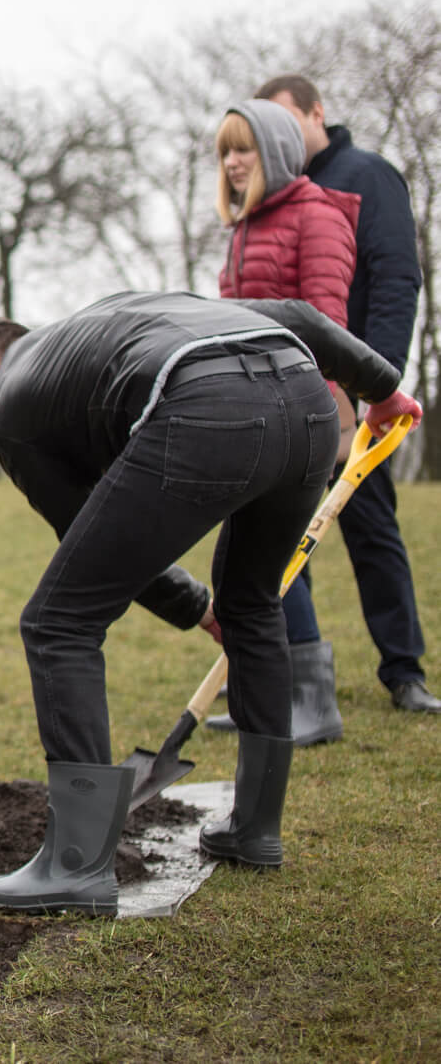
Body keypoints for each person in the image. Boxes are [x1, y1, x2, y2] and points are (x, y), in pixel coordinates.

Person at [0, 291, 420, 915]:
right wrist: (381, 391)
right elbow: (299, 317)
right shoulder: (133, 312)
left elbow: (81, 524)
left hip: (205, 409)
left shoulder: (9, 402)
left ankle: (76, 865)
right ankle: (255, 830)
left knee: (58, 621)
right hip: (309, 408)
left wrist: (189, 605)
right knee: (252, 605)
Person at [243, 75, 435, 715]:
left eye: (285, 120)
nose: (274, 137)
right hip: (285, 397)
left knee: (370, 526)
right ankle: (292, 681)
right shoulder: (271, 194)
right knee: (278, 539)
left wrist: (375, 381)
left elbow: (394, 279)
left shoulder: (366, 175)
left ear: (317, 112)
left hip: (353, 394)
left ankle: (404, 672)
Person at [208, 98, 359, 744]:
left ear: (273, 152)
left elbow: (326, 323)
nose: (233, 163)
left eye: (242, 149)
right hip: (250, 413)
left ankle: (311, 701)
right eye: (224, 152)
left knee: (278, 558)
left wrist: (327, 413)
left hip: (300, 413)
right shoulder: (245, 225)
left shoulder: (315, 216)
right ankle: (260, 694)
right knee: (247, 561)